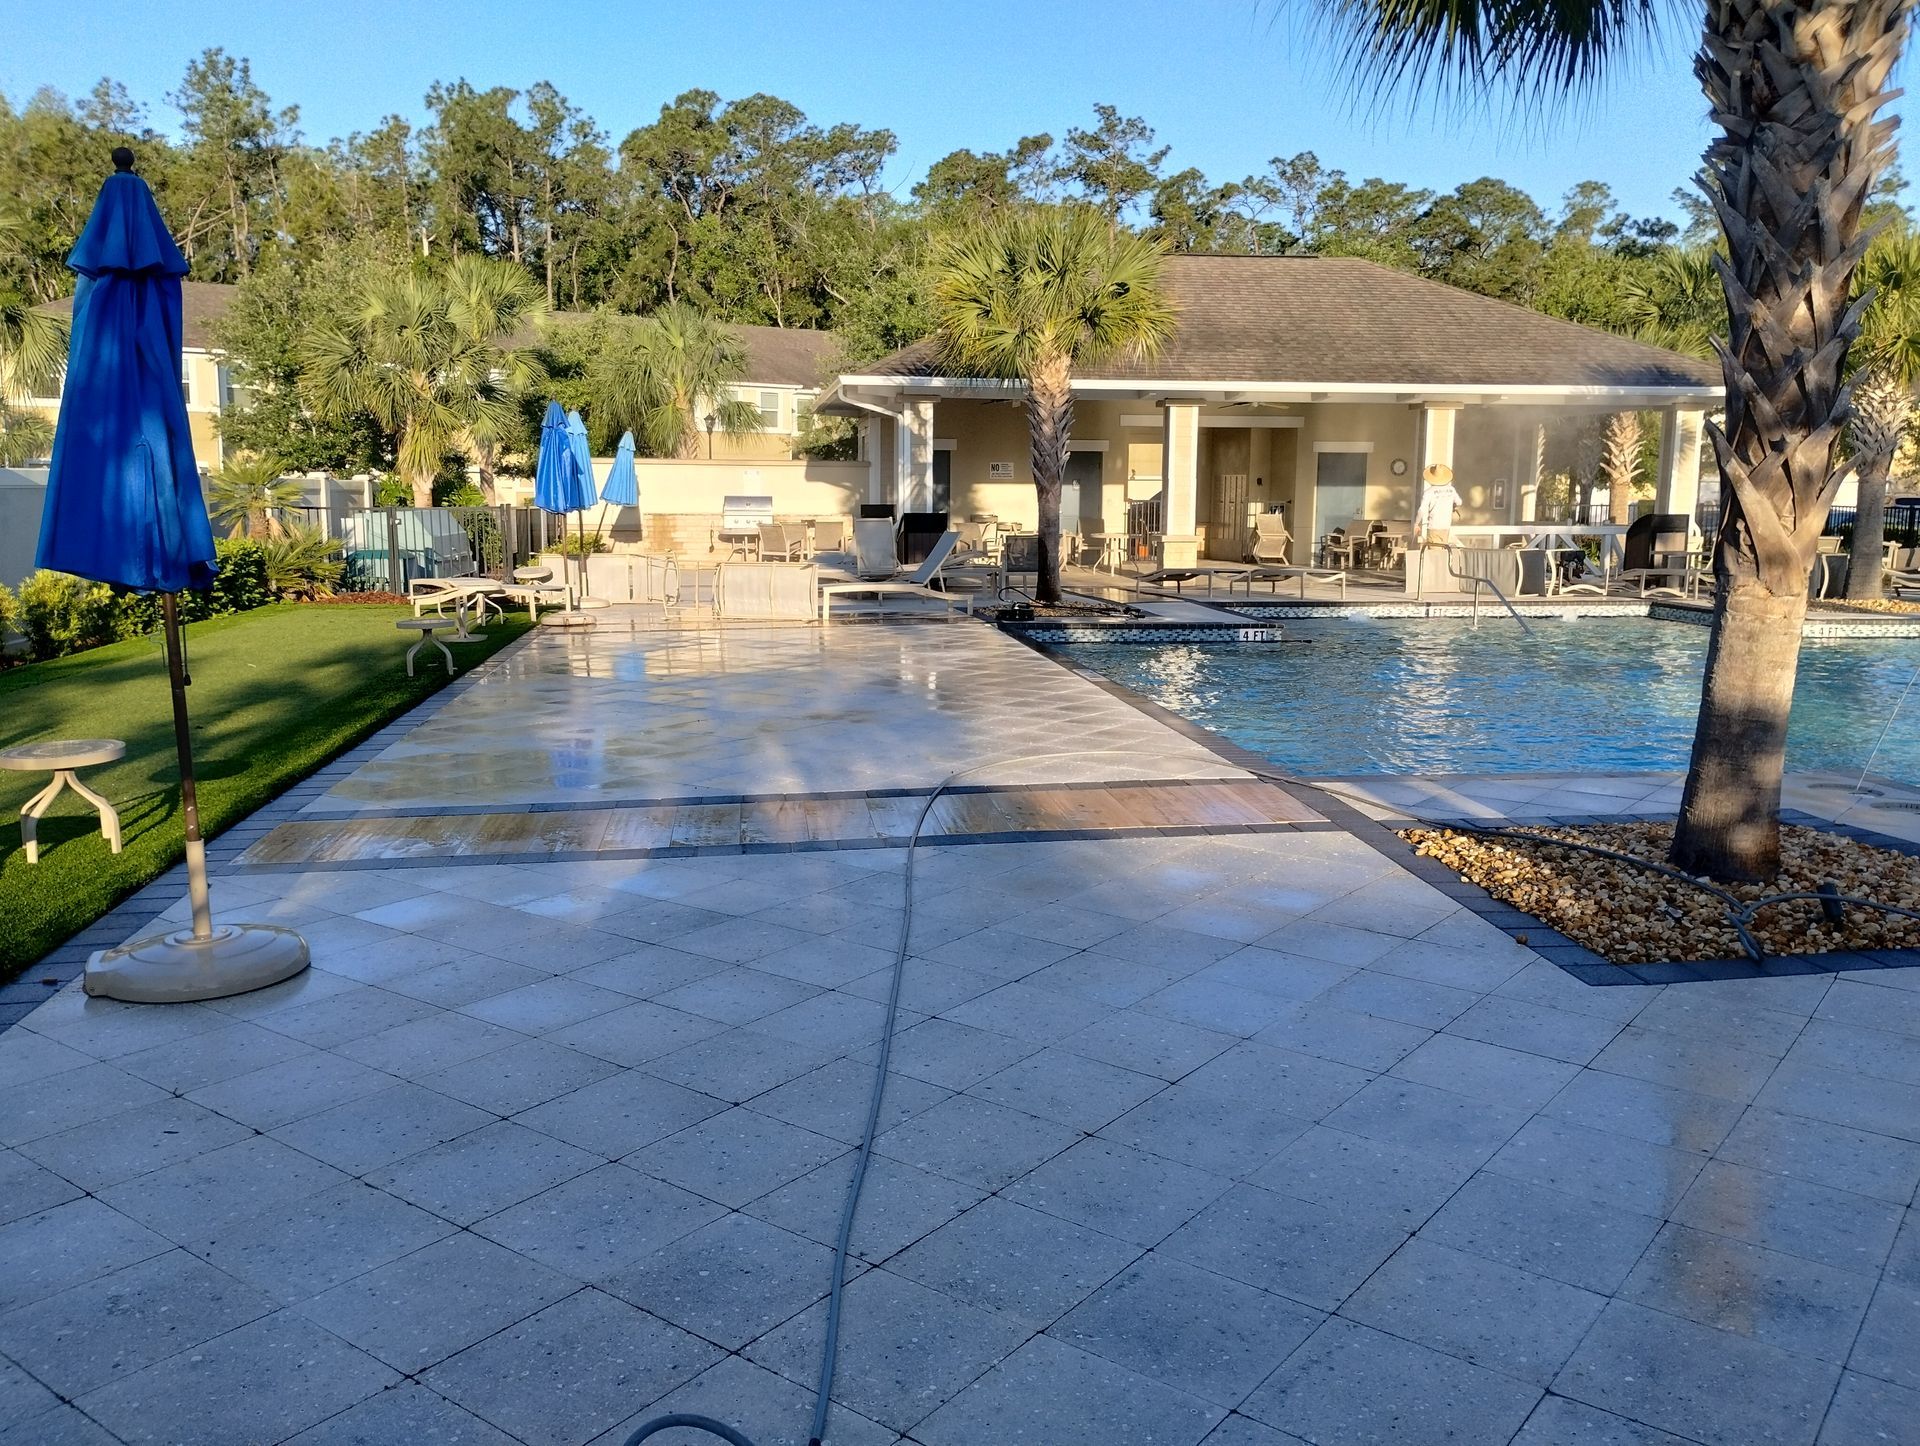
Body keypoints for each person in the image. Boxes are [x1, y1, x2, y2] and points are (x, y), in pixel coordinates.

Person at [1414, 463, 1461, 547]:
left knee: (1434, 554)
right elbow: (1459, 502)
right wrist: (1452, 506)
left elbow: (1422, 510)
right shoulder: (1451, 490)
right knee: (1444, 551)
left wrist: (1416, 523)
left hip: (1434, 527)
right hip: (1446, 526)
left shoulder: (1429, 492)